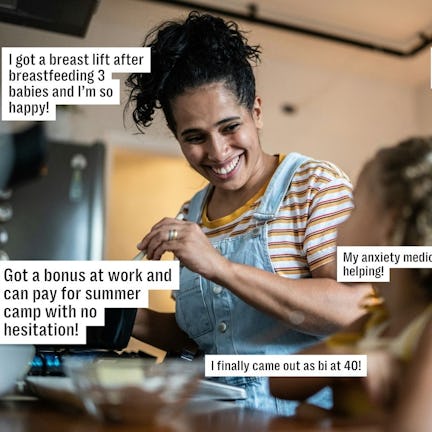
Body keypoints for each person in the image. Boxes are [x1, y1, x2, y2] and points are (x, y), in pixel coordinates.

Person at [125, 11, 369, 415]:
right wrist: (121, 316)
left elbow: (354, 309)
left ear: (256, 112)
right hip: (209, 417)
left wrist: (220, 267)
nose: (218, 153)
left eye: (229, 126)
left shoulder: (314, 186)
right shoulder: (191, 214)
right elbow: (205, 344)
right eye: (195, 137)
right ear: (177, 137)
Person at [270, 137, 432, 429]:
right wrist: (348, 357)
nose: (340, 223)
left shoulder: (426, 327)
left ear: (390, 225)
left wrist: (323, 423)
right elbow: (280, 381)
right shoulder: (376, 321)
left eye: (354, 207)